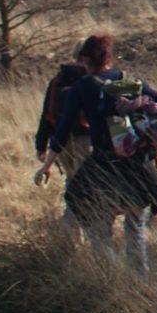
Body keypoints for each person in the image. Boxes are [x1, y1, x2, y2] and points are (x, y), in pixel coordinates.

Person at [52, 39, 157, 271]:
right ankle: (140, 280)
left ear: (85, 60)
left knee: (99, 227)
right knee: (135, 228)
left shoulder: (82, 87)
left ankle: (111, 279)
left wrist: (47, 163)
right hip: (141, 168)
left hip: (104, 168)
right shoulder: (129, 80)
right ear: (109, 58)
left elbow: (63, 128)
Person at [32, 33, 112, 210]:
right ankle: (81, 223)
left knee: (72, 182)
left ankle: (71, 228)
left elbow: (46, 114)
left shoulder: (57, 80)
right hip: (86, 139)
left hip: (60, 143)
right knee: (89, 187)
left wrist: (41, 145)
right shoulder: (93, 80)